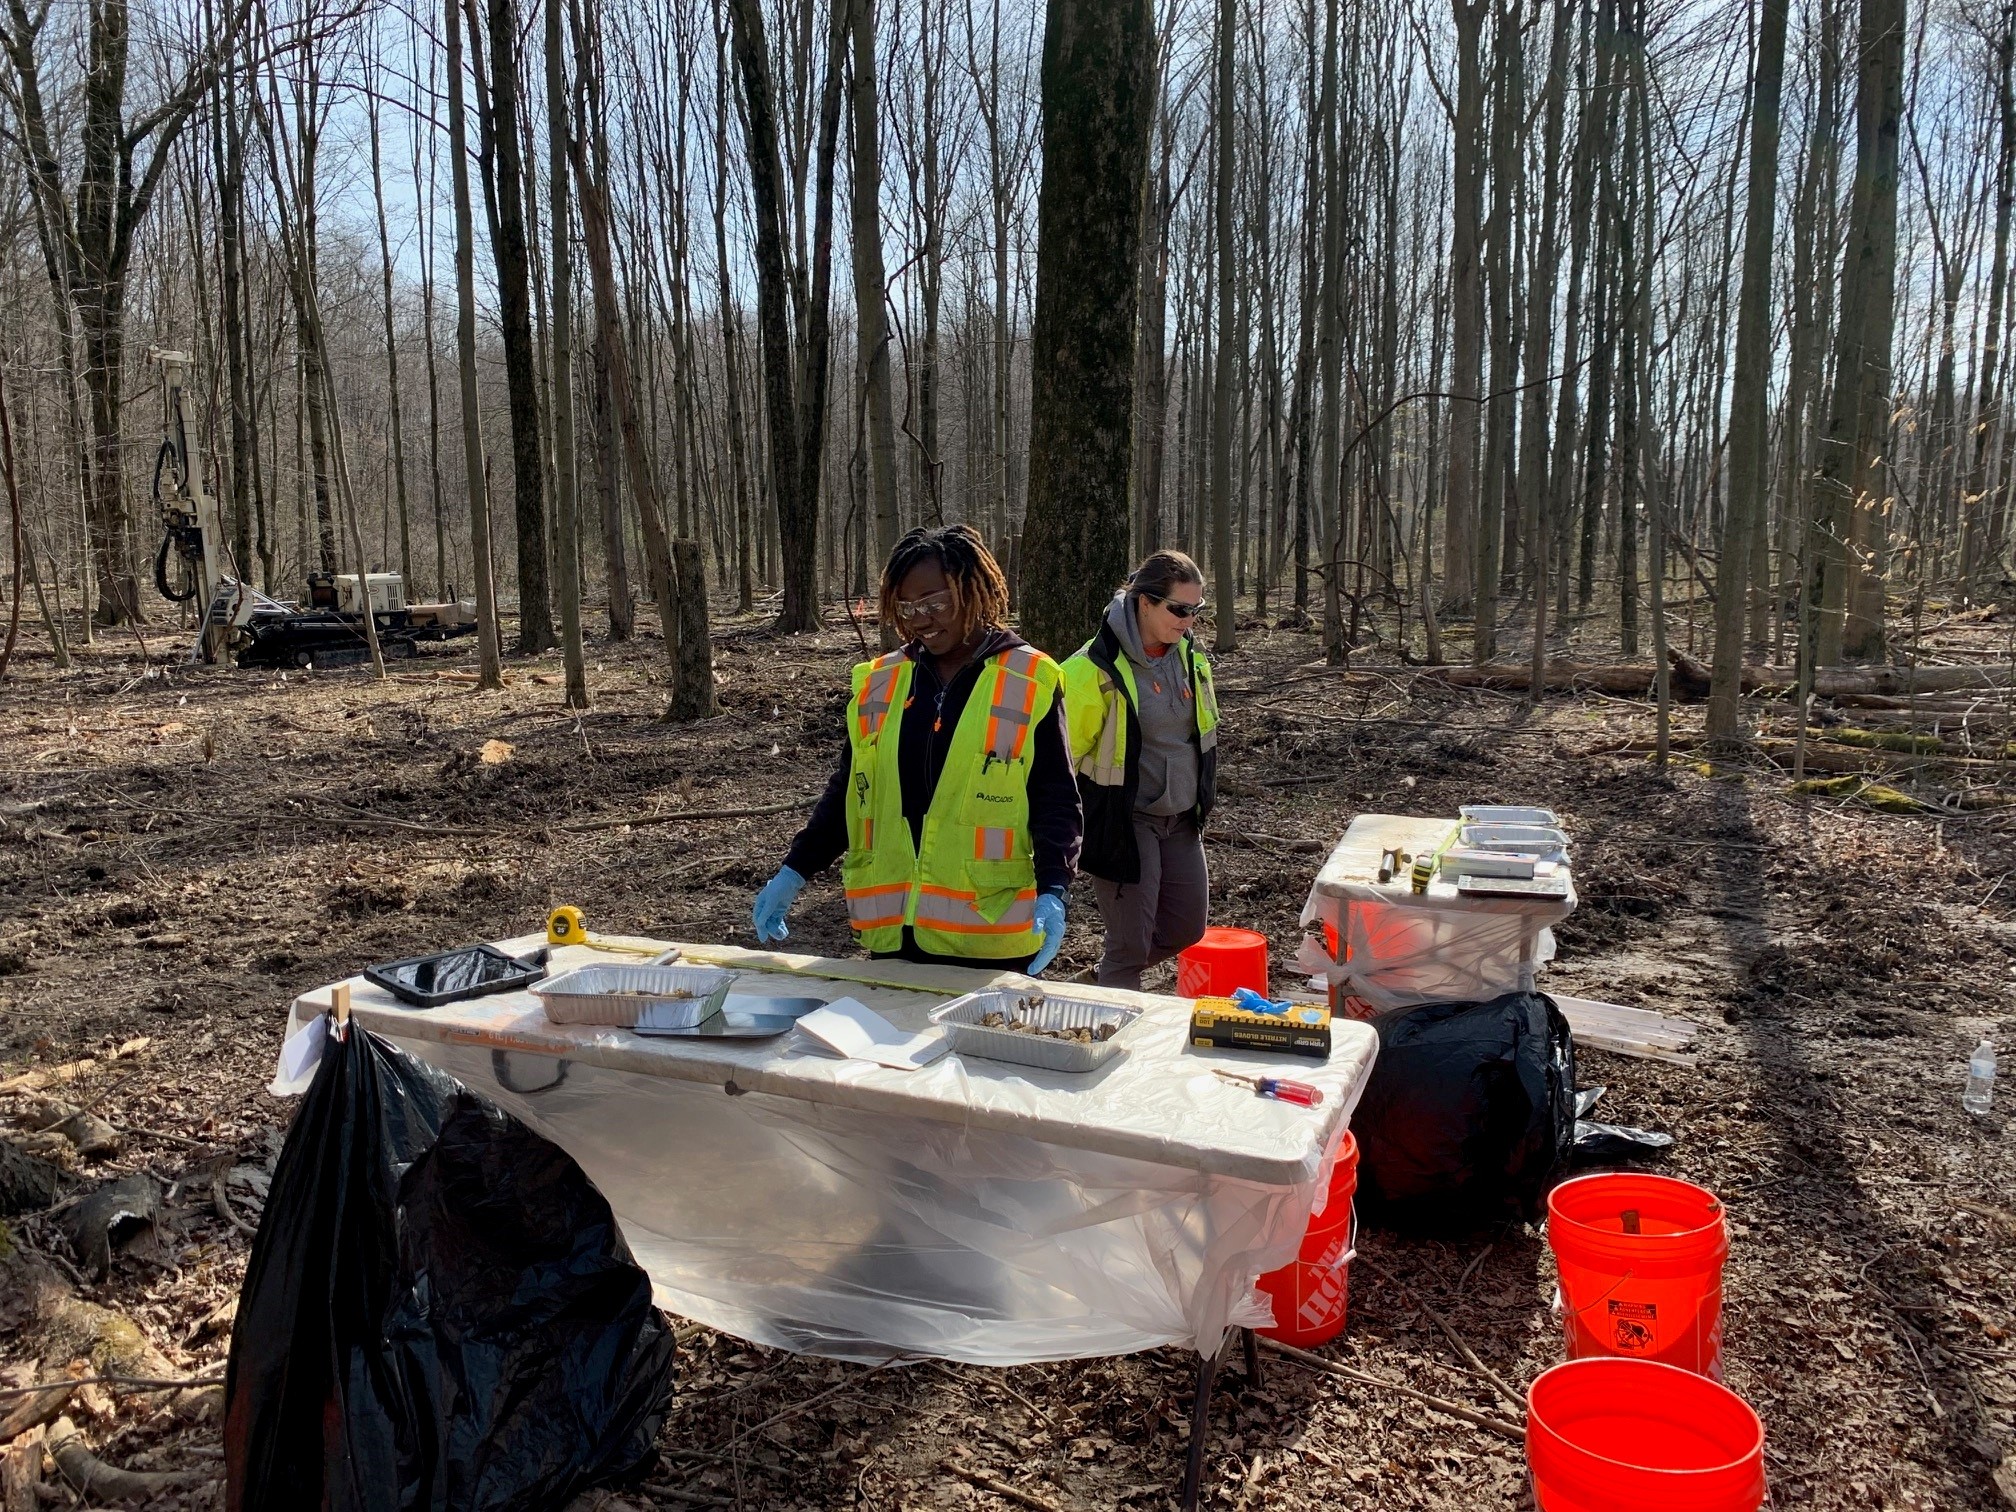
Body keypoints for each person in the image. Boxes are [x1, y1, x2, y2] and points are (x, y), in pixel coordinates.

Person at [750, 525, 1081, 973]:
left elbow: (1056, 797)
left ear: (974, 591)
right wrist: (795, 870)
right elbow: (851, 790)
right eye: (906, 607)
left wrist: (1054, 888)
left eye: (935, 602)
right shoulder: (879, 682)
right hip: (895, 935)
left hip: (991, 939)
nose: (921, 618)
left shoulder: (1028, 679)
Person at [1061, 550, 1220, 990]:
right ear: (1144, 602)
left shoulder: (1190, 657)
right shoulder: (1091, 668)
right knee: (1130, 945)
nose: (1188, 620)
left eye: (1197, 611)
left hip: (1182, 819)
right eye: (1179, 609)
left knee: (1186, 929)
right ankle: (1113, 1026)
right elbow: (1058, 761)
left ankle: (1105, 979)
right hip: (1124, 823)